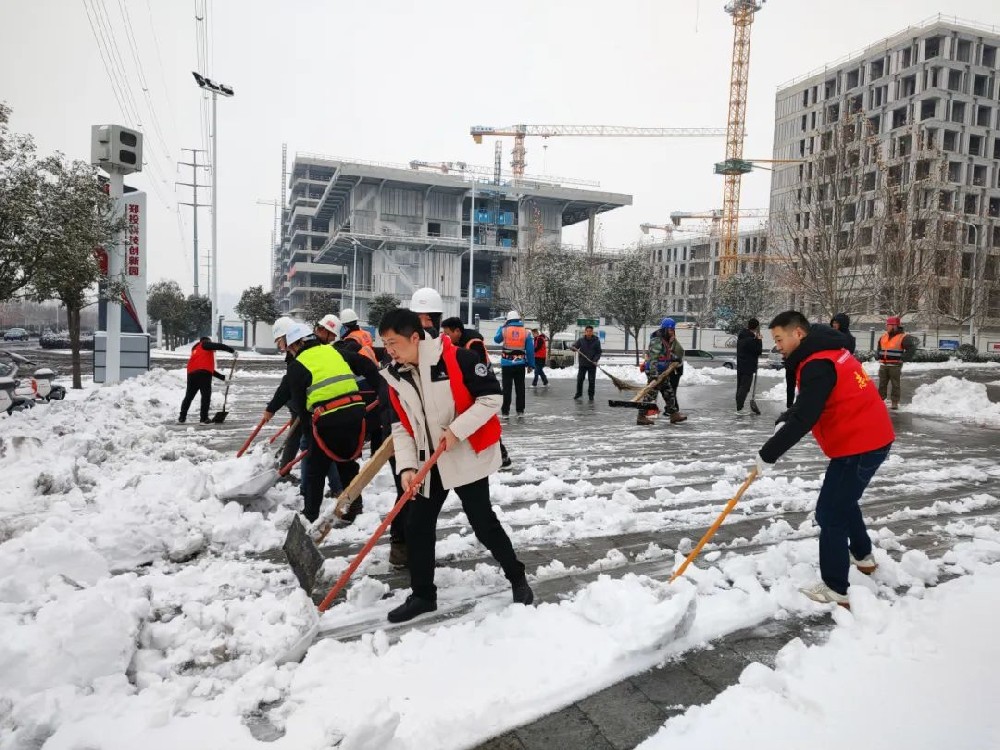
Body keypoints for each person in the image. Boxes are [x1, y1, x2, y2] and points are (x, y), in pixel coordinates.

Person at [379, 308, 533, 623]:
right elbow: (401, 426)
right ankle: (423, 595)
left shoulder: (457, 359)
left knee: (483, 523)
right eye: (384, 343)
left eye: (393, 342)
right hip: (428, 461)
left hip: (465, 456)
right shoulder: (395, 374)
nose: (389, 350)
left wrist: (456, 430)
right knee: (417, 525)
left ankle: (517, 578)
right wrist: (407, 467)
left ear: (414, 337)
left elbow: (491, 399)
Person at [755, 311, 894, 607]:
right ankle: (863, 556)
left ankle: (835, 588)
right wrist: (786, 417)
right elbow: (812, 403)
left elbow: (806, 416)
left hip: (861, 444)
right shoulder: (828, 351)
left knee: (830, 513)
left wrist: (768, 454)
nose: (777, 345)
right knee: (843, 501)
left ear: (799, 335)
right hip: (863, 439)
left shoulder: (817, 363)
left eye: (779, 339)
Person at [274, 323, 381, 523]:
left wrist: (309, 434)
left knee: (316, 470)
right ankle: (354, 504)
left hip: (327, 420)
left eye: (284, 345)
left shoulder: (297, 365)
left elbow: (301, 407)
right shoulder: (334, 351)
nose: (285, 349)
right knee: (346, 461)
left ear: (293, 343)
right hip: (356, 413)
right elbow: (366, 365)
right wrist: (382, 390)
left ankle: (310, 516)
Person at [441, 316, 513, 471]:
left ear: (457, 331)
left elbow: (477, 370)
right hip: (473, 388)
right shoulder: (460, 343)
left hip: (483, 389)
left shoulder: (473, 344)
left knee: (486, 421)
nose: (444, 337)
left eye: (447, 333)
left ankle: (502, 455)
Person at [637, 318, 687, 426]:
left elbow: (666, 354)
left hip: (662, 372)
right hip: (655, 372)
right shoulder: (657, 340)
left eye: (672, 330)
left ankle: (674, 415)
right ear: (664, 329)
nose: (671, 332)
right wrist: (654, 374)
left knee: (669, 393)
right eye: (670, 330)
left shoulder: (665, 340)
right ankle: (641, 416)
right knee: (650, 396)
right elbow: (654, 358)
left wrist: (675, 358)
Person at [179, 336, 236, 424]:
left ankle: (182, 418)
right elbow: (219, 346)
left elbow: (208, 368)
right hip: (203, 374)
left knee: (189, 396)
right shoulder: (204, 344)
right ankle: (204, 418)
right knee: (206, 396)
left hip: (191, 374)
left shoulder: (196, 350)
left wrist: (223, 378)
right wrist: (232, 351)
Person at [493, 310, 535, 418]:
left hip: (507, 364)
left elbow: (496, 339)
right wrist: (531, 365)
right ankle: (520, 411)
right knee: (520, 388)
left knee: (507, 388)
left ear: (508, 320)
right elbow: (530, 350)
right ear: (518, 319)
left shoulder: (504, 330)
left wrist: (501, 327)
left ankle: (505, 412)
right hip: (520, 364)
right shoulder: (526, 332)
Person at [876, 316, 910, 410]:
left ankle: (894, 402)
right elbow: (879, 348)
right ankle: (880, 400)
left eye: (888, 325)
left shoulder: (903, 337)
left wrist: (903, 358)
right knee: (882, 384)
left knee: (895, 384)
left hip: (895, 365)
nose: (887, 327)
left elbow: (911, 349)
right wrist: (878, 355)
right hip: (883, 365)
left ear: (895, 326)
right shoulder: (883, 336)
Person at [735, 318, 763, 415]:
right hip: (748, 366)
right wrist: (759, 340)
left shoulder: (742, 337)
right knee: (745, 388)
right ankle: (739, 407)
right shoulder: (751, 340)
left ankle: (739, 406)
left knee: (740, 386)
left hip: (740, 365)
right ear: (756, 327)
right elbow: (759, 351)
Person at [572, 326, 602, 401]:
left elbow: (598, 352)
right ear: (585, 332)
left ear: (592, 332)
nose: (589, 332)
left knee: (591, 381)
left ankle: (591, 395)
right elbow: (575, 347)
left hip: (592, 364)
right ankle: (579, 393)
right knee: (580, 379)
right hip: (583, 364)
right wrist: (573, 347)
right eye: (587, 331)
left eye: (590, 331)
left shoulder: (596, 341)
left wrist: (595, 360)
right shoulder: (581, 340)